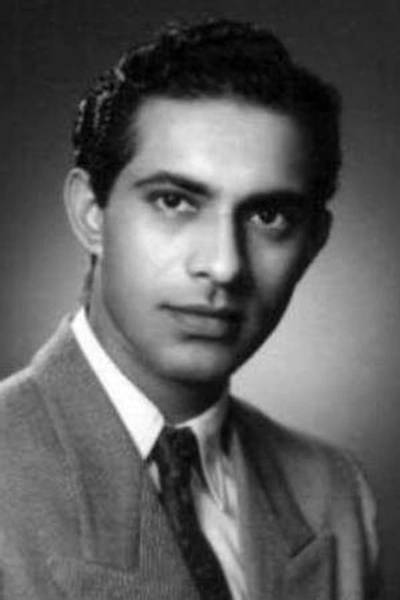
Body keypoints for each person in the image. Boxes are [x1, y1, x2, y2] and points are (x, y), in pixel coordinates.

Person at [0, 18, 381, 600]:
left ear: (313, 243)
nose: (224, 265)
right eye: (174, 201)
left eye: (269, 216)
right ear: (91, 213)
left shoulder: (335, 493)